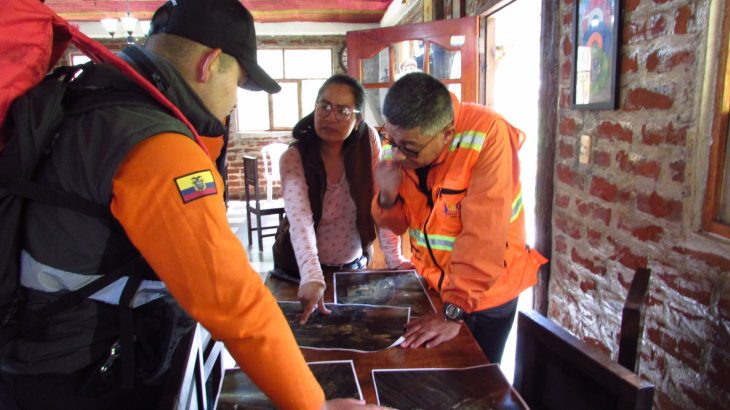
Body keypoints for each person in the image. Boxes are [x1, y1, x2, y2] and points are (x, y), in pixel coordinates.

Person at [0, 1, 383, 409]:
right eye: (237, 82)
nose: (233, 101)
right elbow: (235, 303)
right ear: (210, 63)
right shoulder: (157, 144)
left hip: (39, 348)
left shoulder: (96, 98)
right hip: (85, 373)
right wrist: (315, 405)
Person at [372, 72, 547, 363]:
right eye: (391, 139)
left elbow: (484, 236)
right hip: (435, 286)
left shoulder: (489, 134)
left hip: (485, 294)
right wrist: (387, 197)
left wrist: (453, 312)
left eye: (409, 148)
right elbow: (401, 224)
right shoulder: (402, 139)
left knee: (475, 380)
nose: (397, 154)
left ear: (447, 135)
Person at [272, 74, 410, 324]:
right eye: (324, 107)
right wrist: (312, 275)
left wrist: (395, 259)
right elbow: (300, 221)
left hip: (353, 267)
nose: (330, 117)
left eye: (343, 111)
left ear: (357, 120)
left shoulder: (368, 142)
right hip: (299, 273)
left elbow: (379, 200)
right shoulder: (293, 157)